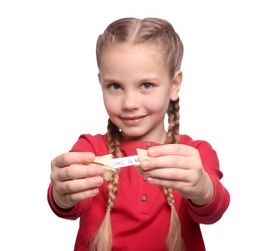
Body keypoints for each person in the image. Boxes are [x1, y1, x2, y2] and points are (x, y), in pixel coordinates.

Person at [47, 17, 230, 251]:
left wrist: (203, 188)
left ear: (174, 85)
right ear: (100, 83)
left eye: (146, 85)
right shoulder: (89, 149)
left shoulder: (193, 155)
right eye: (115, 86)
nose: (130, 103)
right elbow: (68, 206)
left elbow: (213, 211)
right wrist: (62, 194)